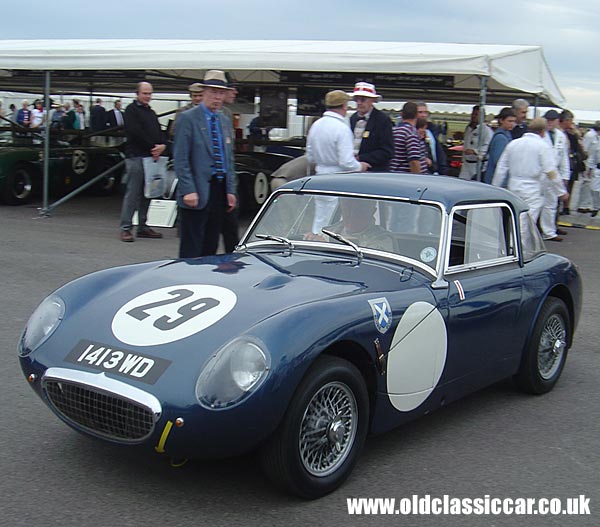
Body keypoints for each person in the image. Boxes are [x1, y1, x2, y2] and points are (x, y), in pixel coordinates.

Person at [173, 70, 237, 258]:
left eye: (221, 93)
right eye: (213, 92)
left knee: (211, 241)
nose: (217, 97)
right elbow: (181, 158)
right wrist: (188, 189)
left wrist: (230, 190)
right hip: (197, 188)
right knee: (192, 244)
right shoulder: (188, 118)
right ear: (204, 92)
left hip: (219, 189)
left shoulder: (224, 120)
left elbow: (229, 159)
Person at [306, 90, 370, 234]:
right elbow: (346, 161)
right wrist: (361, 166)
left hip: (319, 175)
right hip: (337, 178)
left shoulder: (316, 125)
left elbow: (310, 156)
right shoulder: (342, 129)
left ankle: (316, 241)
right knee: (334, 220)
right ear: (344, 105)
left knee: (320, 217)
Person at [492, 118, 568, 226]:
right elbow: (551, 171)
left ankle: (510, 240)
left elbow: (501, 168)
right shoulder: (542, 146)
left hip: (513, 185)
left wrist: (496, 187)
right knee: (527, 222)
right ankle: (520, 242)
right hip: (532, 188)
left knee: (512, 218)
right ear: (543, 131)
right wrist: (561, 191)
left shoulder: (513, 144)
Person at [119, 81, 167, 243]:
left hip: (151, 157)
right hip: (137, 157)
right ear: (137, 93)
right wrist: (153, 147)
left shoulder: (151, 112)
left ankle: (143, 226)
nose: (147, 96)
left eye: (149, 93)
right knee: (133, 193)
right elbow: (135, 133)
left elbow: (159, 131)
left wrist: (162, 145)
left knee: (148, 193)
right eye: (144, 93)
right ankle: (126, 228)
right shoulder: (131, 111)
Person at [305, 197, 394, 252]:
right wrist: (309, 239)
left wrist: (327, 246)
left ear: (372, 211)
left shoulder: (383, 238)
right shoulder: (329, 231)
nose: (352, 213)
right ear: (342, 209)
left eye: (359, 209)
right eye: (347, 207)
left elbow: (368, 264)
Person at [348, 82, 394, 172]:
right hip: (353, 170)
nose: (359, 103)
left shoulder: (382, 120)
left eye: (363, 99)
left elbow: (387, 151)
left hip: (374, 171)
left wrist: (361, 158)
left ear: (372, 100)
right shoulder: (352, 118)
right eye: (356, 100)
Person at [539, 110, 570, 241]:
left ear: (557, 121)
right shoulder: (540, 135)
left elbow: (563, 158)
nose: (550, 123)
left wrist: (565, 175)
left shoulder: (560, 136)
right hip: (540, 174)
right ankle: (535, 230)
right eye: (548, 120)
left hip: (553, 174)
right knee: (536, 203)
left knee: (551, 204)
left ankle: (549, 232)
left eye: (553, 120)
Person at [390, 102, 427, 174]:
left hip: (394, 173)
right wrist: (418, 178)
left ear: (401, 114)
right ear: (416, 115)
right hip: (406, 176)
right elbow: (414, 160)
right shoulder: (411, 133)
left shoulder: (393, 130)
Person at [458, 105, 492, 181]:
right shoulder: (468, 128)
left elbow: (487, 147)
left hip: (477, 165)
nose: (473, 116)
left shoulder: (486, 130)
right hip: (466, 164)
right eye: (473, 114)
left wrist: (474, 151)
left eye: (476, 115)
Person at [483, 107, 516, 184]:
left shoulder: (506, 134)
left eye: (514, 121)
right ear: (501, 120)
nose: (512, 124)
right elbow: (499, 161)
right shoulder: (501, 138)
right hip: (497, 178)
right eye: (510, 121)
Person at [416, 102, 448, 175]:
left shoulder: (432, 130)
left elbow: (438, 150)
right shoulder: (410, 130)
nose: (423, 115)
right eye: (420, 112)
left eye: (425, 112)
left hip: (432, 171)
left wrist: (443, 170)